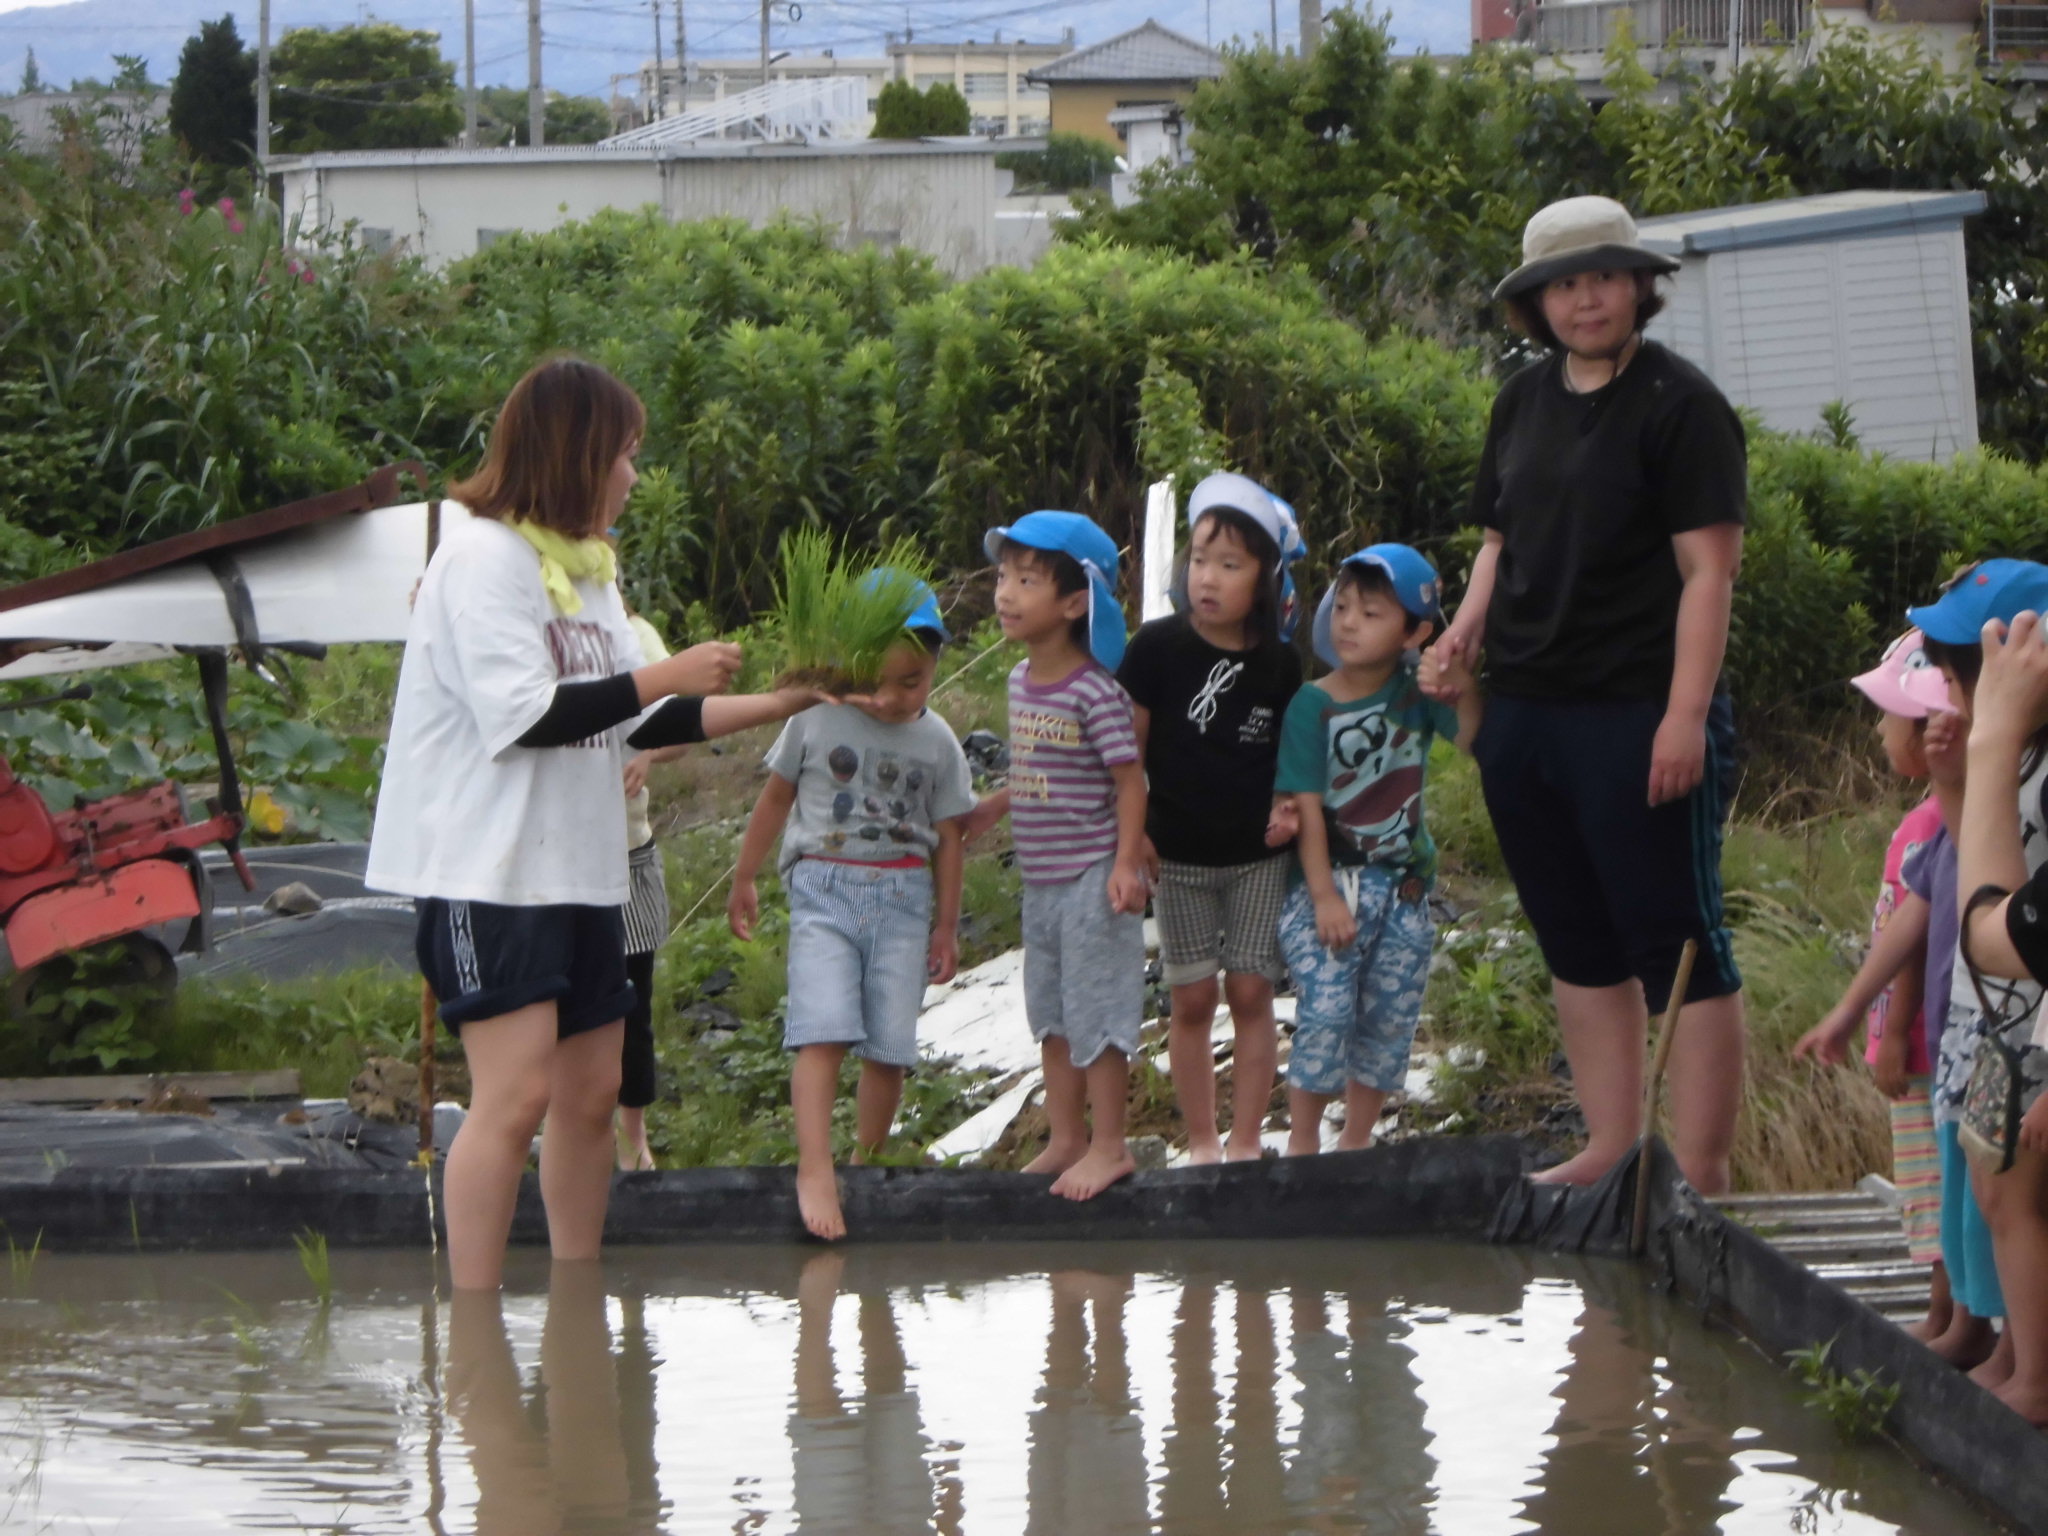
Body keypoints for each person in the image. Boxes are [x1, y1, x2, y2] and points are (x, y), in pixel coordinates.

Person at [366, 356, 821, 1292]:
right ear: (577, 455)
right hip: (485, 871)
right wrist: (666, 671)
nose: (633, 475)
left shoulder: (588, 571)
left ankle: (577, 1297)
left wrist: (784, 700)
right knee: (518, 1092)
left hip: (578, 869)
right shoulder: (481, 558)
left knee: (589, 1092)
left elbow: (632, 718)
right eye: (624, 453)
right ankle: (477, 1324)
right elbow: (530, 713)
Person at [1421, 194, 1748, 1195]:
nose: (1585, 298)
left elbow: (1708, 575)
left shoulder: (1680, 406)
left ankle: (1696, 1172)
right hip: (1524, 710)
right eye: (1562, 283)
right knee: (1572, 930)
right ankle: (1610, 1141)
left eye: (1602, 276)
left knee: (1673, 937)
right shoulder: (1520, 402)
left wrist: (1684, 716)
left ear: (1637, 285)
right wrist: (1464, 630)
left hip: (1638, 712)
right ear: (1535, 302)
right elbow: (1495, 543)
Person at [727, 581, 975, 1241]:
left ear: (936, 666)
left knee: (889, 1045)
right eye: (880, 682)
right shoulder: (814, 718)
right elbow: (777, 799)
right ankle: (815, 1166)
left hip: (902, 899)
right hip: (823, 889)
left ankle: (866, 1158)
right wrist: (745, 875)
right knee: (823, 1030)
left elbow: (950, 836)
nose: (893, 699)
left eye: (912, 683)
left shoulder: (940, 744)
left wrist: (946, 924)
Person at [1117, 472, 1305, 1164]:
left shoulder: (1282, 665)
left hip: (1257, 857)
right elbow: (1125, 755)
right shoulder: (1156, 649)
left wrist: (1289, 804)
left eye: (1230, 564)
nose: (1210, 577)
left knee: (1252, 990)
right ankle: (1201, 1141)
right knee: (1192, 1000)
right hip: (1178, 858)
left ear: (1264, 578)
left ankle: (1248, 1140)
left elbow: (1295, 756)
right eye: (1200, 559)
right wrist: (1131, 836)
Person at [962, 512, 1147, 1200]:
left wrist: (1126, 863)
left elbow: (1129, 781)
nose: (1006, 592)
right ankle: (1066, 1137)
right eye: (1004, 576)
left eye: (1027, 580)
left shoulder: (1094, 690)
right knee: (1052, 1012)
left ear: (1075, 603)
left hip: (1093, 877)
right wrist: (996, 804)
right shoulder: (1018, 680)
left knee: (1097, 1013)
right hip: (1041, 881)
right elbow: (1045, 768)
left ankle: (1110, 1145)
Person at [1274, 546, 1480, 1155]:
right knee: (1326, 1011)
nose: (1349, 622)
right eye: (1341, 607)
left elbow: (1471, 740)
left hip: (1405, 891)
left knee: (1389, 1019)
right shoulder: (1313, 703)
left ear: (1415, 632)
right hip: (1330, 883)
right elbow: (1306, 803)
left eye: (1370, 612)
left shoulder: (1415, 695)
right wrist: (1322, 897)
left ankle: (1356, 1143)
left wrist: (1460, 687)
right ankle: (1304, 1142)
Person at [1792, 629, 1947, 1342]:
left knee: (1933, 1190)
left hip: (1920, 1052)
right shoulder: (1928, 822)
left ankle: (1953, 1315)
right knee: (1935, 1187)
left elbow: (1913, 946)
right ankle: (1953, 1313)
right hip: (1914, 1044)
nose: (1880, 730)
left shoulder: (1932, 827)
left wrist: (1888, 1040)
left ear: (1931, 732)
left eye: (1889, 716)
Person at [1932, 565, 2048, 1425]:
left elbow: (1990, 934)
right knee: (1996, 1183)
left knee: (2013, 1191)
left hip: (2031, 1025)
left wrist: (1990, 745)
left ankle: (2035, 1376)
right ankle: (2022, 1359)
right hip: (2018, 1020)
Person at [616, 604, 689, 1173]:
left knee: (631, 1002)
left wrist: (644, 753)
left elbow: (680, 727)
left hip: (628, 849)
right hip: (553, 861)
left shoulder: (637, 635)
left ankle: (633, 1137)